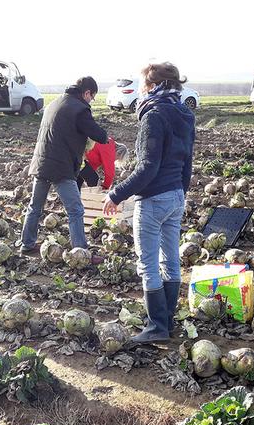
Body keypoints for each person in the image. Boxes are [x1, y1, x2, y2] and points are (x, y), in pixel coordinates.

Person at [104, 62, 195, 344]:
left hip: (154, 200)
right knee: (170, 260)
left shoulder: (153, 115)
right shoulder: (185, 113)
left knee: (148, 265)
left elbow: (147, 168)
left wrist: (116, 194)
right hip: (176, 196)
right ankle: (166, 320)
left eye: (143, 84)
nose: (141, 89)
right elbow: (187, 163)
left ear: (153, 85)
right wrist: (180, 192)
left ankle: (157, 326)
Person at [20, 76, 108, 254]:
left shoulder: (55, 103)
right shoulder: (79, 109)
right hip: (61, 166)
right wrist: (106, 137)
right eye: (92, 97)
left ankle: (26, 244)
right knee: (75, 210)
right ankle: (80, 252)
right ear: (87, 92)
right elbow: (97, 134)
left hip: (42, 162)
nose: (91, 101)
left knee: (35, 207)